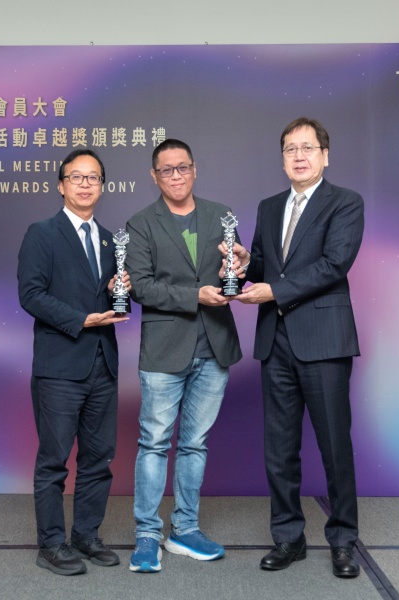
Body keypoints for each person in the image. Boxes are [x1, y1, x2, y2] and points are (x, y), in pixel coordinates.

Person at [227, 117, 364, 578]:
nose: (299, 156)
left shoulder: (345, 202)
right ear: (282, 158)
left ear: (325, 155)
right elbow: (265, 265)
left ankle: (343, 541)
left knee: (334, 447)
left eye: (308, 148)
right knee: (279, 448)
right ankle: (288, 537)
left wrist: (274, 291)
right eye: (290, 149)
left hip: (323, 341)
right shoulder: (269, 207)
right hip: (276, 341)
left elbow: (334, 264)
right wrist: (245, 263)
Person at [125, 138, 242, 573]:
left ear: (194, 169)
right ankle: (147, 535)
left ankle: (185, 530)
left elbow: (234, 272)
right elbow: (141, 287)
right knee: (154, 444)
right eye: (167, 169)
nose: (176, 176)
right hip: (164, 351)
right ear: (154, 176)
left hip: (214, 348)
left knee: (194, 444)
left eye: (183, 167)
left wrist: (243, 262)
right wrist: (195, 296)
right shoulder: (140, 224)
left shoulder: (221, 215)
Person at [17, 148, 130, 576]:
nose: (85, 184)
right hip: (60, 366)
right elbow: (31, 294)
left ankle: (86, 535)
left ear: (102, 186)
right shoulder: (42, 233)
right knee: (54, 460)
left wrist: (123, 288)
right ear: (61, 185)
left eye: (93, 177)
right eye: (76, 176)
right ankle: (51, 544)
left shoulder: (110, 240)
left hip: (103, 365)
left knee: (98, 459)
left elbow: (114, 296)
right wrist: (80, 320)